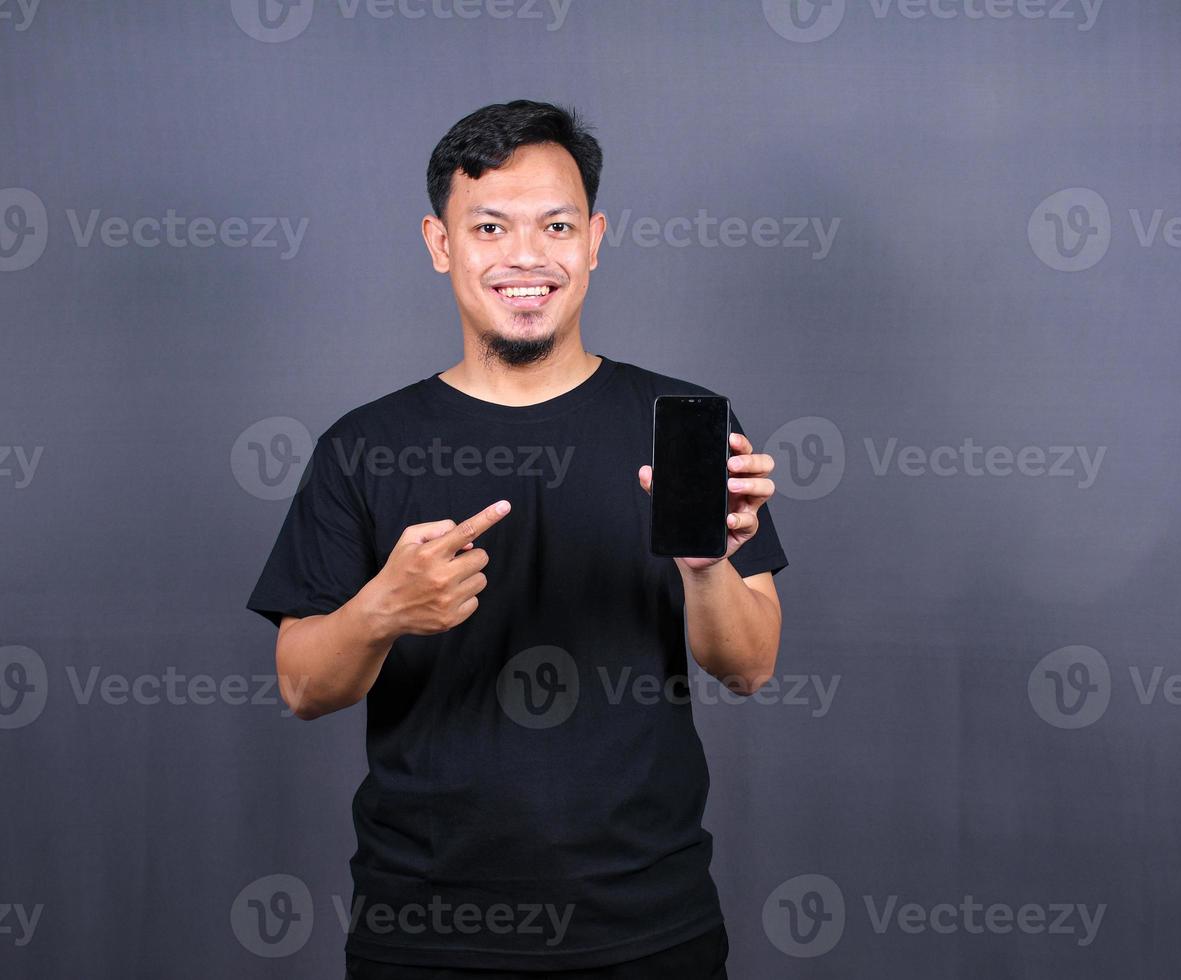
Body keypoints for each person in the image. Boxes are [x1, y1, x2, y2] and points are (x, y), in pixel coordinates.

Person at [246, 99, 789, 979]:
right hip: (423, 933)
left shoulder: (683, 429)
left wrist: (706, 569)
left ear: (595, 239)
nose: (527, 257)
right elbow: (305, 687)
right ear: (440, 244)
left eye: (557, 226)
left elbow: (749, 665)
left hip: (649, 927)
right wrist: (382, 610)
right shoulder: (364, 446)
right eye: (490, 226)